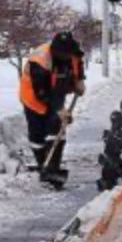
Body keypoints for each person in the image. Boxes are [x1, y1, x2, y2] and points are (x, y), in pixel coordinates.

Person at [20, 31, 86, 187]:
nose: (66, 57)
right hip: (34, 98)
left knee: (56, 127)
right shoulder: (40, 61)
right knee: (37, 133)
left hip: (57, 92)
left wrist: (79, 81)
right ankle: (43, 162)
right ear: (55, 51)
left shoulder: (72, 54)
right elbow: (41, 93)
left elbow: (78, 65)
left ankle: (52, 167)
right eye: (63, 55)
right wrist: (59, 109)